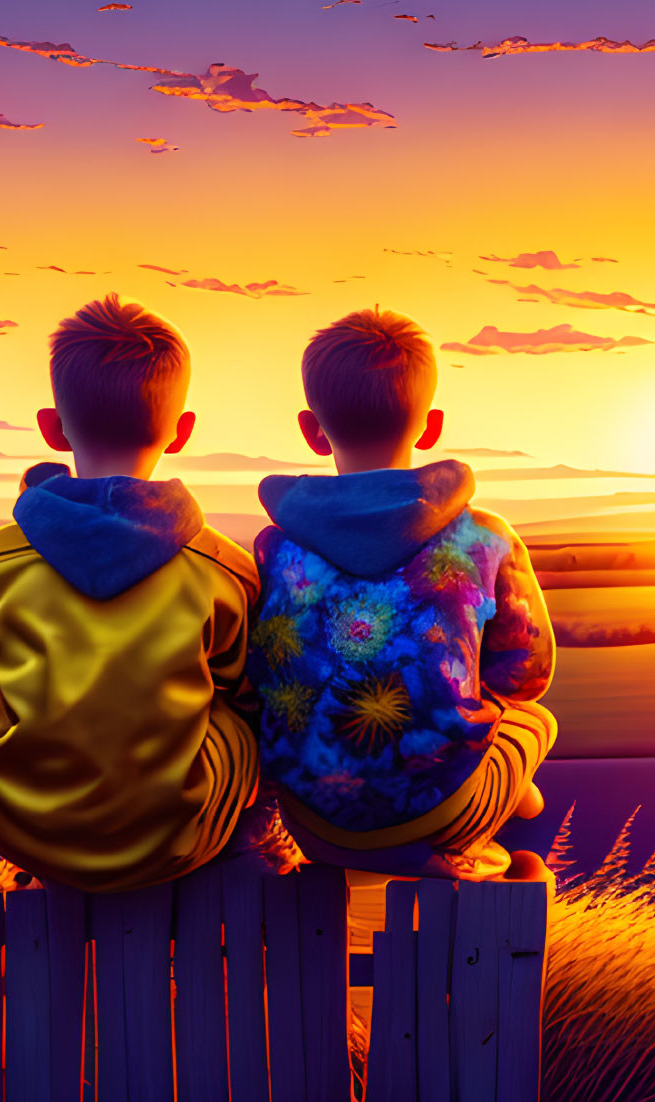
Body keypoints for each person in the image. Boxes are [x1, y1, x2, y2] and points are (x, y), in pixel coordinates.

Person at [0, 294, 261, 893]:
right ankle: (256, 846)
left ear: (52, 428)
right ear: (182, 430)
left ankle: (12, 863)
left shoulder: (0, 559)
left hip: (24, 826)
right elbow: (243, 687)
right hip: (174, 839)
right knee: (243, 722)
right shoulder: (222, 569)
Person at [248, 307, 557, 881]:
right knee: (536, 721)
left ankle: (449, 837)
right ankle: (482, 830)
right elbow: (528, 674)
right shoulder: (485, 537)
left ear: (312, 431)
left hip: (312, 818)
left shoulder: (274, 549)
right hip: (441, 809)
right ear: (430, 427)